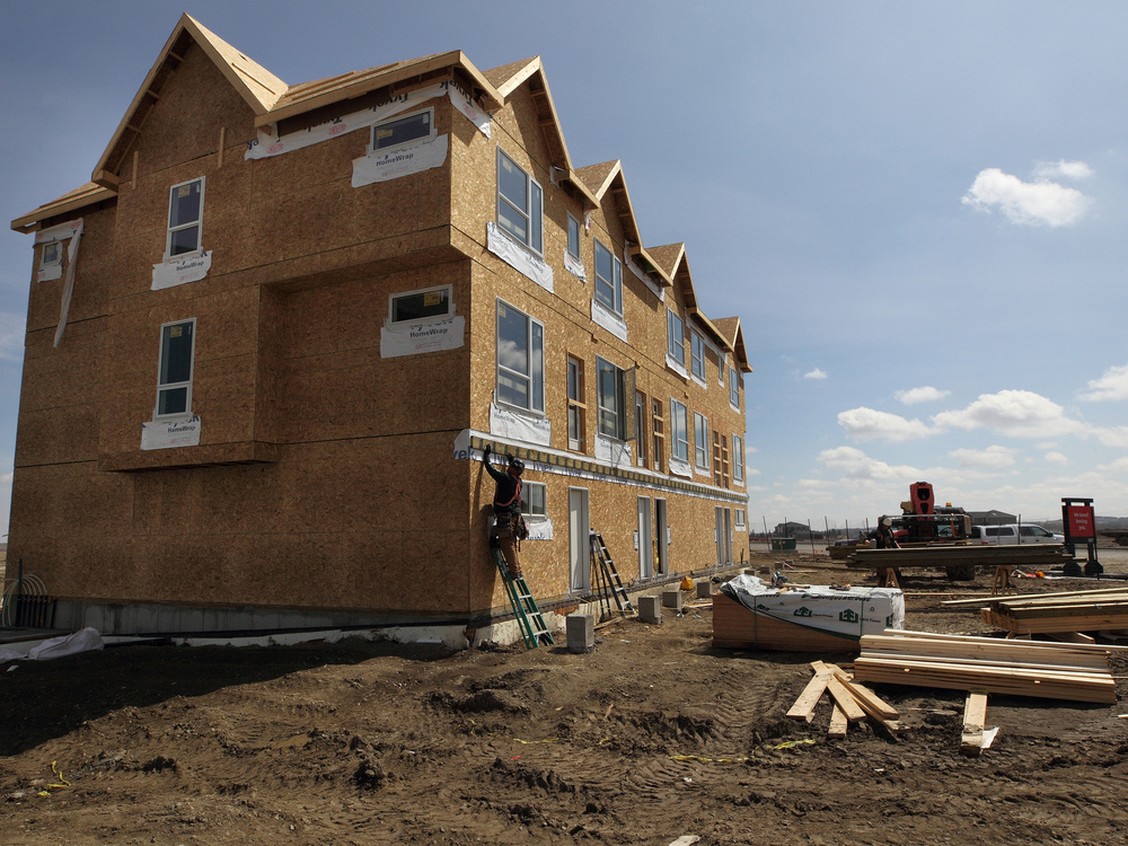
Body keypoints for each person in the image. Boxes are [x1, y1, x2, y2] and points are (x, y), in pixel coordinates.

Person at [481, 444, 527, 579]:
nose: (509, 467)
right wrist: (511, 459)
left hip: (507, 518)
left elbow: (491, 470)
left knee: (507, 544)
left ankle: (514, 572)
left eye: (511, 466)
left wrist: (486, 456)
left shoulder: (506, 479)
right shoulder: (519, 481)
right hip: (514, 518)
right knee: (511, 543)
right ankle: (517, 570)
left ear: (515, 470)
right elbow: (514, 470)